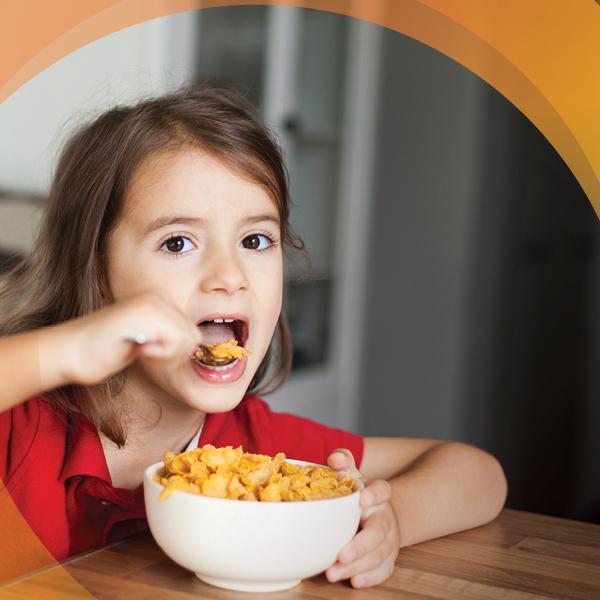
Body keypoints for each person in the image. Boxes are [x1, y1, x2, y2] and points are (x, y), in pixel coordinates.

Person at [0, 85, 507, 588]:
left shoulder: (255, 457)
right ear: (96, 270)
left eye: (255, 240)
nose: (229, 274)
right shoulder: (22, 426)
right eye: (178, 242)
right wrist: (63, 351)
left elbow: (479, 475)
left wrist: (388, 520)